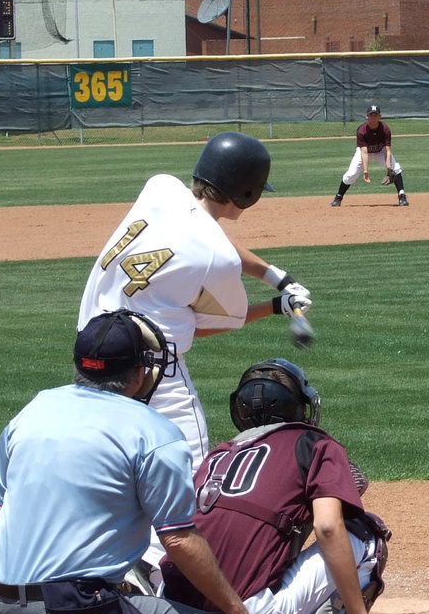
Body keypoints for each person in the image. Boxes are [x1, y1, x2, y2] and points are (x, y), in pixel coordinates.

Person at [0, 309, 262, 614]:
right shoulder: (155, 434)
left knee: (46, 557)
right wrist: (237, 612)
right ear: (139, 375)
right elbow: (179, 539)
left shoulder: (32, 410)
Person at [160, 359, 390, 614]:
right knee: (365, 535)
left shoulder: (216, 457)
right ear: (300, 406)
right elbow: (329, 528)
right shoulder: (315, 444)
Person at [78, 131, 313, 469]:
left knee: (105, 468)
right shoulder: (216, 257)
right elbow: (208, 326)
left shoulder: (161, 188)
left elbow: (209, 237)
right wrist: (277, 306)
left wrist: (277, 278)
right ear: (246, 194)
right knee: (190, 478)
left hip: (90, 359)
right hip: (154, 377)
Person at [331, 104, 409, 207]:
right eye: (371, 115)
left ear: (379, 116)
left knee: (396, 168)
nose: (373, 117)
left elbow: (388, 150)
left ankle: (402, 196)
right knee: (351, 174)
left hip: (381, 151)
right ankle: (339, 197)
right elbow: (364, 152)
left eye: (375, 115)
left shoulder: (385, 129)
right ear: (366, 116)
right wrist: (365, 171)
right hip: (363, 152)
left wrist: (389, 168)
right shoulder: (362, 131)